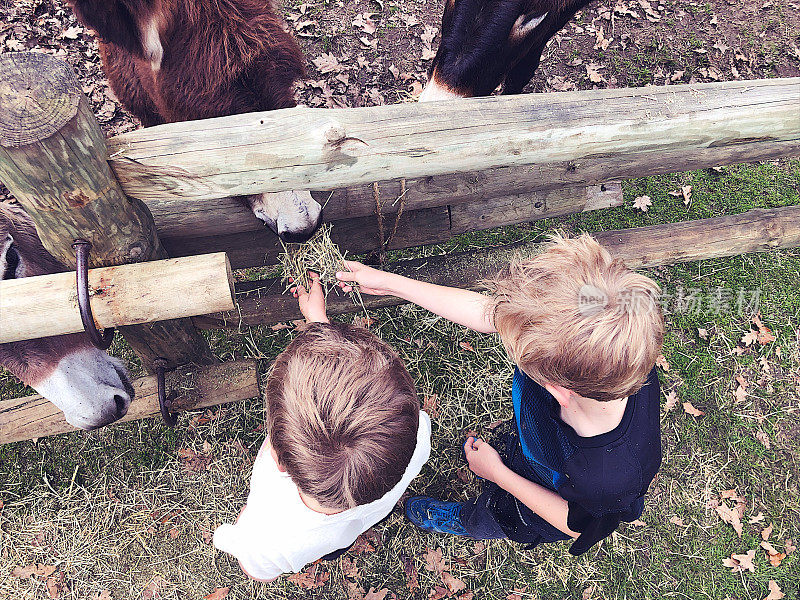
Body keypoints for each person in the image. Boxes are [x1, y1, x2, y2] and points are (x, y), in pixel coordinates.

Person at [335, 234, 664, 555]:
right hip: (535, 447)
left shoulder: (610, 481)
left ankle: (463, 520)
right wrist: (391, 283)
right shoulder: (623, 356)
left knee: (490, 517)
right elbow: (492, 315)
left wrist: (497, 473)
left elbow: (575, 524)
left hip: (533, 503)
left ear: (556, 389)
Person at [213, 273, 432, 579]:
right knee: (343, 536)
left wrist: (247, 525)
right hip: (358, 518)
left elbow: (255, 570)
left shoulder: (269, 540)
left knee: (333, 548)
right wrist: (318, 321)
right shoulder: (417, 439)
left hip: (314, 541)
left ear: (276, 457)